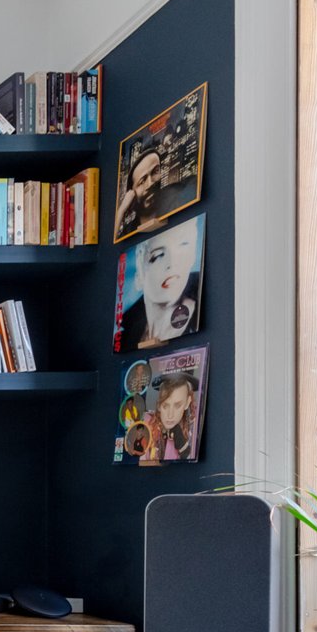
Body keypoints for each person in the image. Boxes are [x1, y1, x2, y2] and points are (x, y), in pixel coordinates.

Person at [116, 220, 202, 350]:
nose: (172, 264)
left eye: (183, 246)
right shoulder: (125, 334)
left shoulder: (202, 311)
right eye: (158, 255)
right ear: (140, 268)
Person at [142, 371, 199, 465]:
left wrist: (184, 448)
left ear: (188, 402)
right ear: (159, 404)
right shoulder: (146, 423)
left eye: (177, 406)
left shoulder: (197, 424)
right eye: (165, 405)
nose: (170, 415)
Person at [114, 139, 164, 241]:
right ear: (131, 194)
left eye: (155, 172)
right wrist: (121, 210)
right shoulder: (128, 231)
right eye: (142, 181)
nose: (150, 184)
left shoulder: (180, 193)